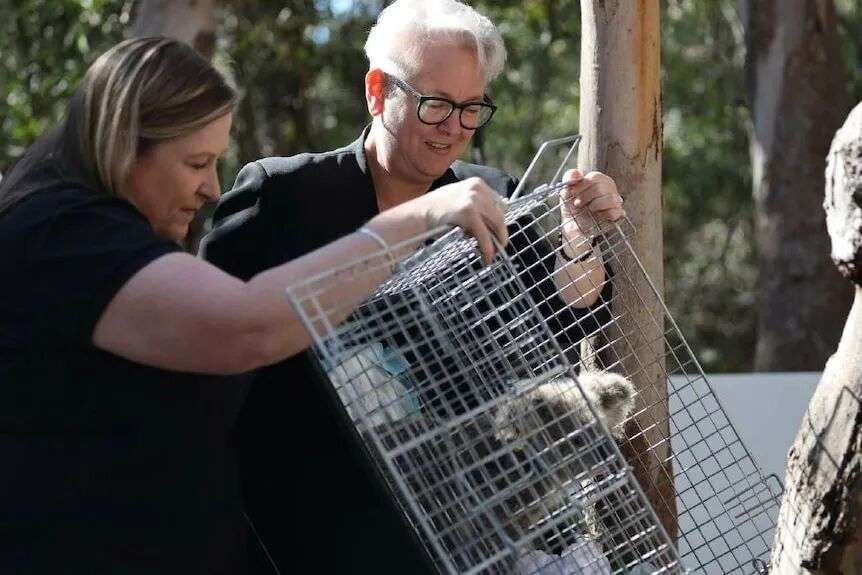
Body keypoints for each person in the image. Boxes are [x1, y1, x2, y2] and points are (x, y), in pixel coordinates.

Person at [0, 36, 507, 574]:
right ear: (124, 145)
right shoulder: (66, 235)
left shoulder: (102, 229)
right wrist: (418, 219)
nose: (212, 189)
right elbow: (247, 327)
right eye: (196, 163)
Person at [201, 0, 626, 572]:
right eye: (435, 104)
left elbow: (567, 314)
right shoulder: (283, 197)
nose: (454, 127)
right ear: (377, 91)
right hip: (313, 534)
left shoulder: (491, 197)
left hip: (466, 538)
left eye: (471, 107)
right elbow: (210, 347)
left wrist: (579, 239)